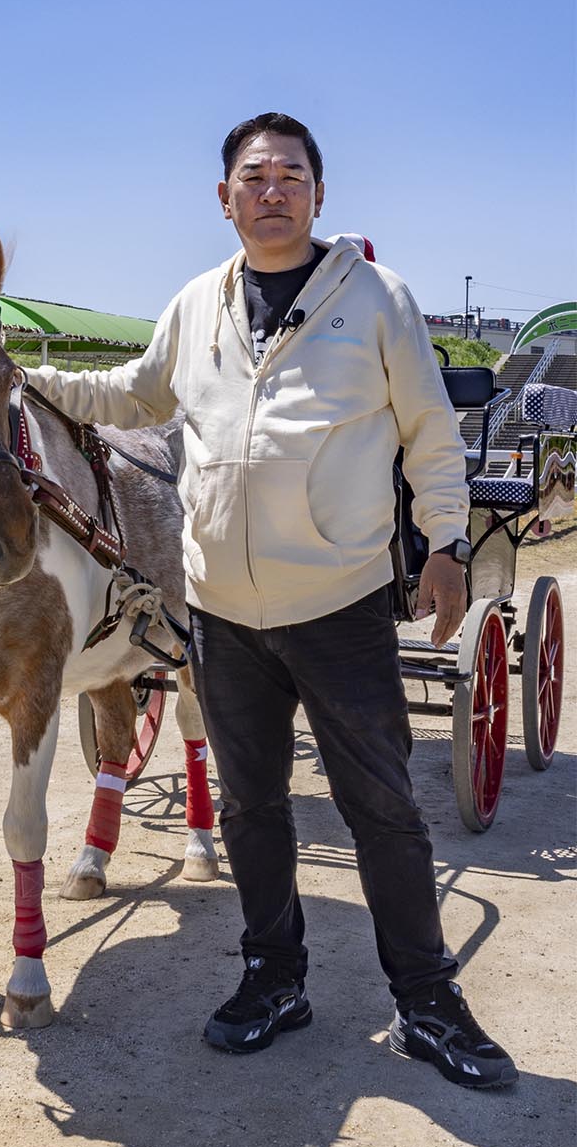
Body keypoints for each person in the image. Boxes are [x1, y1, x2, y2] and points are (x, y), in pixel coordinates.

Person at [25, 111, 517, 1089]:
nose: (272, 189)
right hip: (222, 612)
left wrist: (449, 543)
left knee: (379, 806)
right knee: (252, 809)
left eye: (290, 174)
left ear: (318, 194)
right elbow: (133, 395)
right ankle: (273, 978)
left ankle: (425, 1000)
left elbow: (427, 429)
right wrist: (20, 381)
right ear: (225, 198)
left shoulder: (375, 297)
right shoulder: (195, 305)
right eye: (253, 176)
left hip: (335, 603)